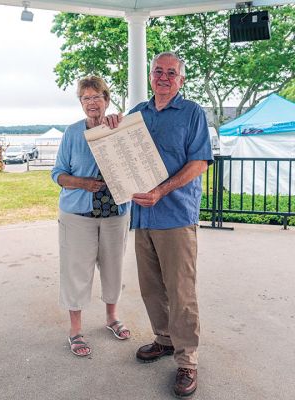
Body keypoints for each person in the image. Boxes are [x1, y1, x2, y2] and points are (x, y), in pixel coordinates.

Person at [104, 52, 213, 397]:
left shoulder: (193, 113)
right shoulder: (137, 113)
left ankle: (187, 361)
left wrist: (162, 190)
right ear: (151, 76)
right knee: (151, 287)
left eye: (171, 73)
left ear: (181, 80)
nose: (163, 77)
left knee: (181, 291)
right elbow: (119, 150)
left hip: (176, 215)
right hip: (143, 217)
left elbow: (199, 163)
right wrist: (111, 126)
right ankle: (164, 340)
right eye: (158, 72)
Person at [51, 76, 131, 357]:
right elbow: (56, 174)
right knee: (76, 271)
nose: (92, 103)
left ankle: (112, 318)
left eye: (97, 97)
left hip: (115, 212)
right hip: (78, 214)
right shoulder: (72, 133)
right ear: (81, 103)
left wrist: (121, 128)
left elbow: (135, 161)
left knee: (113, 268)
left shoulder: (120, 127)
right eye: (86, 98)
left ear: (107, 100)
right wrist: (81, 182)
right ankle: (75, 331)